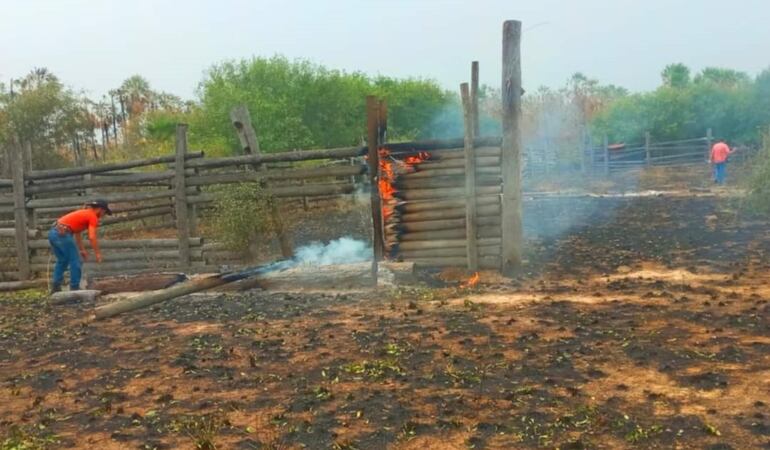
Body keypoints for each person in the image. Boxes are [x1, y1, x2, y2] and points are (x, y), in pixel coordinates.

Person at [48, 200, 112, 293]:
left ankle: (56, 287)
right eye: (104, 212)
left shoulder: (85, 213)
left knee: (62, 260)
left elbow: (77, 233)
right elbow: (92, 237)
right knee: (76, 261)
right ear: (100, 209)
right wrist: (97, 253)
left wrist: (82, 250)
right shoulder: (92, 216)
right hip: (63, 234)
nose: (103, 215)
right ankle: (74, 288)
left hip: (54, 233)